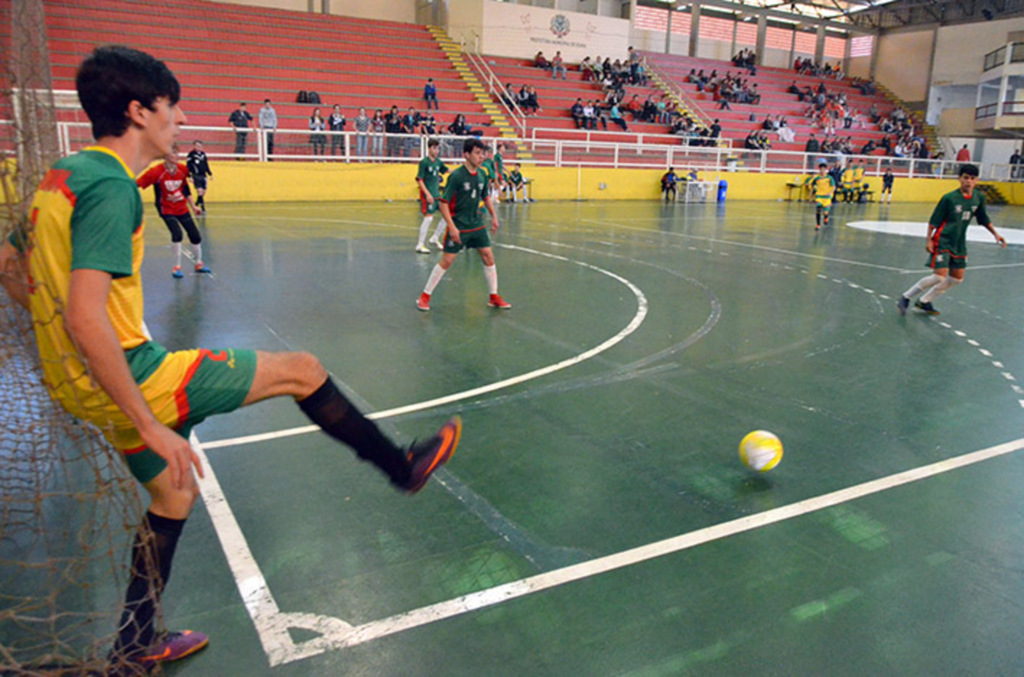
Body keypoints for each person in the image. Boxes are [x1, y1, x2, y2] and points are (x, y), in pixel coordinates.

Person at [0, 46, 461, 672]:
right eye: (171, 107)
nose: (181, 118)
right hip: (131, 376)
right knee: (301, 369)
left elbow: (9, 268)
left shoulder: (61, 176)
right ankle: (401, 465)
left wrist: (62, 340)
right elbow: (86, 317)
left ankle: (134, 645)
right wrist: (146, 422)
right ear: (138, 111)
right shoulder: (113, 188)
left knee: (174, 495)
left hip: (77, 385)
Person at [896, 164, 1007, 316]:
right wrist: (929, 240)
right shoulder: (949, 198)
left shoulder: (978, 197)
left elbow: (983, 218)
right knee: (938, 276)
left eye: (972, 178)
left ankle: (924, 301)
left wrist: (995, 234)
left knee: (957, 279)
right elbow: (933, 221)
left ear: (977, 180)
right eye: (965, 178)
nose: (968, 181)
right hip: (943, 239)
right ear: (959, 179)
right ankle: (906, 297)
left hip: (959, 242)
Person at [416, 138, 511, 312]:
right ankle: (424, 296)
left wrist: (494, 216)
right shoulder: (457, 176)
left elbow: (486, 197)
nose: (481, 156)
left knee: (488, 256)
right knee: (447, 260)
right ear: (466, 155)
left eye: (482, 153)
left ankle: (493, 296)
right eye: (477, 153)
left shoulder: (482, 174)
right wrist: (451, 227)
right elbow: (444, 203)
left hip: (476, 224)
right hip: (459, 225)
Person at [136, 143, 211, 278]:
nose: (177, 156)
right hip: (166, 208)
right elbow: (137, 184)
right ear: (165, 155)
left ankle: (198, 263)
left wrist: (194, 206)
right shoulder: (156, 172)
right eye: (173, 153)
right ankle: (176, 266)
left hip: (181, 207)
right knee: (177, 234)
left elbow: (185, 189)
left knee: (195, 235)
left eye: (177, 153)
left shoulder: (182, 170)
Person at [414, 138, 448, 254]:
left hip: (437, 195)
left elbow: (447, 170)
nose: (436, 150)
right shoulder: (424, 162)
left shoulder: (438, 162)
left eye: (438, 148)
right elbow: (419, 180)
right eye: (434, 148)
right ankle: (420, 244)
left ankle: (434, 238)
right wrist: (427, 194)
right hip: (428, 196)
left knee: (447, 216)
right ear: (429, 148)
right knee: (428, 219)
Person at [185, 139, 212, 214]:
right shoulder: (191, 154)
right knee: (199, 192)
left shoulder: (203, 154)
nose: (199, 147)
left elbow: (206, 164)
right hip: (196, 175)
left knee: (203, 193)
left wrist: (210, 173)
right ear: (194, 146)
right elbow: (188, 165)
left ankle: (196, 204)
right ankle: (203, 208)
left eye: (200, 146)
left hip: (203, 175)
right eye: (197, 146)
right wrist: (189, 176)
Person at [809, 162, 836, 230]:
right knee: (818, 208)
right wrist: (811, 195)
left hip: (827, 197)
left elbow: (834, 187)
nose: (822, 171)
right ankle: (818, 225)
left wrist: (830, 192)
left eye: (823, 169)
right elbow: (812, 186)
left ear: (826, 170)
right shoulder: (817, 178)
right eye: (821, 169)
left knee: (825, 212)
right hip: (819, 196)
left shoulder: (829, 178)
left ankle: (826, 217)